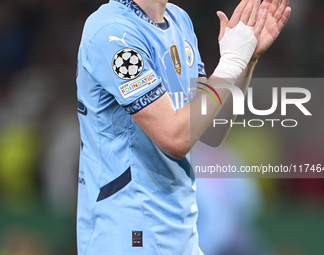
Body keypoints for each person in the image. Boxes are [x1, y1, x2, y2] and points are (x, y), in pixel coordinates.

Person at [76, 0, 291, 254]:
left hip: (182, 235)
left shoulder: (179, 20)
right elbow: (175, 138)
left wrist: (245, 60)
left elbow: (209, 130)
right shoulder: (112, 32)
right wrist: (231, 62)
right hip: (130, 233)